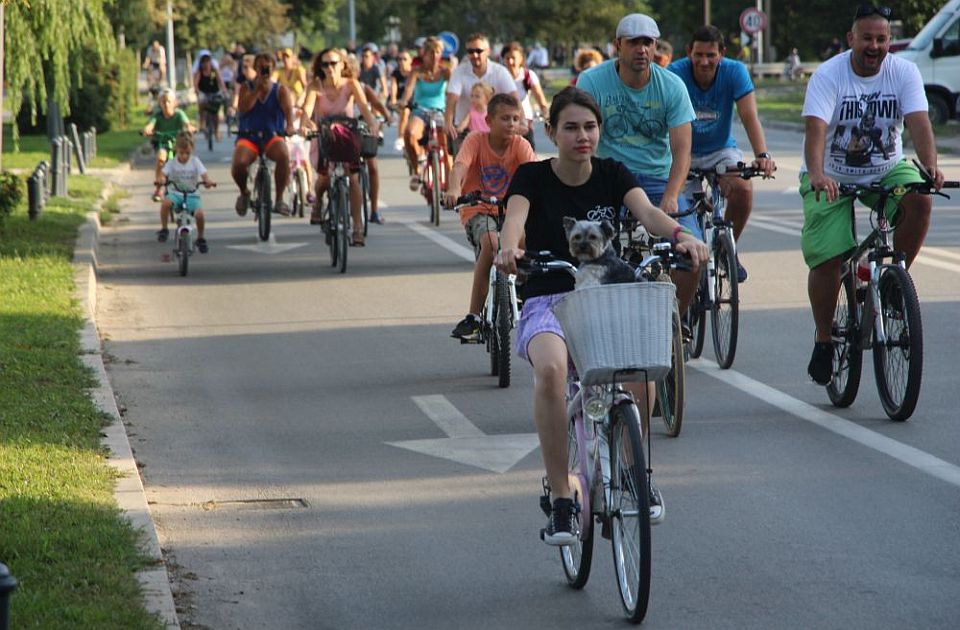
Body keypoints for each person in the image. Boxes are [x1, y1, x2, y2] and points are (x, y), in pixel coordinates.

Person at [495, 87, 708, 544]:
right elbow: (515, 218)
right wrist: (511, 247)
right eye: (570, 127)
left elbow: (648, 213)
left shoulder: (612, 173)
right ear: (551, 132)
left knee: (643, 371)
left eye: (590, 127)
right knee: (552, 371)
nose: (582, 136)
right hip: (548, 298)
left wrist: (680, 235)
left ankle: (633, 473)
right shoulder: (531, 177)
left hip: (605, 298)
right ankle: (561, 499)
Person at [801, 4, 945, 385]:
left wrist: (929, 167)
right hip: (831, 176)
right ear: (852, 39)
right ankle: (825, 337)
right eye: (867, 38)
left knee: (920, 198)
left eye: (882, 39)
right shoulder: (829, 75)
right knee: (829, 257)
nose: (875, 46)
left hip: (885, 170)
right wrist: (816, 174)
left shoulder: (904, 72)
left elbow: (919, 123)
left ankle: (894, 282)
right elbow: (815, 131)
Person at [577, 13, 701, 319]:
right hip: (608, 177)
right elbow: (580, 138)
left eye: (648, 42)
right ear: (618, 45)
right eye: (634, 42)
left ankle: (677, 323)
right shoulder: (592, 81)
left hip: (657, 179)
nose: (642, 50)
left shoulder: (672, 86)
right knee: (579, 246)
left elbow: (682, 150)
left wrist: (672, 195)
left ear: (655, 45)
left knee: (691, 253)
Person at [667, 25, 776, 287]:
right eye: (699, 54)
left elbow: (749, 116)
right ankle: (687, 262)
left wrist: (762, 154)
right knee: (677, 209)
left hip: (720, 150)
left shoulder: (734, 71)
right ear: (689, 53)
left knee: (743, 188)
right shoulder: (674, 73)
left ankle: (728, 250)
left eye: (711, 55)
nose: (705, 61)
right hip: (683, 151)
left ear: (722, 54)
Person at [444, 93, 536, 341]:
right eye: (505, 118)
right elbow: (460, 167)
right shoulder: (476, 140)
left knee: (528, 240)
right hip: (478, 209)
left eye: (516, 119)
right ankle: (473, 317)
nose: (511, 124)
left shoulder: (520, 145)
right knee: (492, 243)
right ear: (488, 120)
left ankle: (527, 290)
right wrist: (454, 189)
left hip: (512, 211)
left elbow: (535, 175)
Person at [302, 48, 380, 245]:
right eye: (325, 64)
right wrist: (307, 125)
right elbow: (307, 111)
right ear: (320, 67)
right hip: (325, 138)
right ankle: (318, 203)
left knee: (353, 180)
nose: (329, 68)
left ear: (343, 64)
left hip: (347, 138)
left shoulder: (352, 84)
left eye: (333, 63)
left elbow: (363, 107)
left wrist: (372, 125)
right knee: (324, 177)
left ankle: (357, 228)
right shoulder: (315, 86)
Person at [231, 52, 296, 218]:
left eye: (267, 67)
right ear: (255, 69)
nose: (264, 70)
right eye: (260, 67)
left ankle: (280, 198)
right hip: (249, 135)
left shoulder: (280, 90)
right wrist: (258, 89)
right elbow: (243, 108)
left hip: (272, 135)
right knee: (239, 163)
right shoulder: (247, 87)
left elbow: (288, 110)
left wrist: (289, 126)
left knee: (283, 154)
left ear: (273, 69)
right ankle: (244, 192)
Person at [444, 33, 519, 149]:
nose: (474, 55)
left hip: (494, 131)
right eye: (470, 51)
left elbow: (514, 98)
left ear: (488, 51)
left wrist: (520, 121)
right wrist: (448, 122)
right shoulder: (459, 72)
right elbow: (452, 99)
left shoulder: (500, 71)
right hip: (464, 131)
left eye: (479, 51)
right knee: (461, 164)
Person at [399, 37, 451, 188]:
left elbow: (454, 90)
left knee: (447, 146)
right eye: (431, 53)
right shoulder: (417, 72)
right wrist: (403, 101)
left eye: (438, 52)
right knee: (409, 134)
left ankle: (451, 185)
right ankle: (417, 170)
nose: (435, 56)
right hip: (420, 111)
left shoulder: (445, 72)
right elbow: (408, 90)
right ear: (424, 54)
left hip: (440, 112)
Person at [156, 131, 216, 251]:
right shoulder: (172, 163)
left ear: (192, 150)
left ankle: (200, 238)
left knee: (199, 215)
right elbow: (163, 174)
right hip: (175, 193)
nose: (184, 156)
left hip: (192, 195)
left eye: (187, 153)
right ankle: (164, 229)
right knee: (165, 203)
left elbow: (204, 175)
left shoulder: (195, 161)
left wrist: (208, 181)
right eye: (181, 153)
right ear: (176, 150)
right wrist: (161, 180)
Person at [142, 88, 195, 203]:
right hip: (162, 143)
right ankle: (158, 186)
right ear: (159, 103)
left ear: (174, 103)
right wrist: (147, 129)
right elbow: (151, 124)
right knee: (161, 157)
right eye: (163, 101)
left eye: (168, 101)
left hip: (177, 144)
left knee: (184, 159)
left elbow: (186, 123)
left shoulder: (179, 114)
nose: (166, 104)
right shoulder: (158, 115)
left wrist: (190, 128)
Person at [501, 42, 550, 150]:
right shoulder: (500, 76)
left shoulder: (528, 75)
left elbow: (541, 100)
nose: (510, 62)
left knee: (528, 156)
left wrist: (546, 115)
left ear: (521, 59)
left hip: (525, 123)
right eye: (507, 58)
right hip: (504, 123)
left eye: (513, 58)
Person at [193, 54, 228, 141]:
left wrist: (224, 90)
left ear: (210, 63)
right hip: (204, 93)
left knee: (215, 112)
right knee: (201, 101)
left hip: (214, 92)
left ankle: (216, 131)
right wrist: (197, 91)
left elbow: (220, 82)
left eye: (207, 62)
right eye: (203, 62)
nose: (205, 64)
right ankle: (202, 122)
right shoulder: (199, 72)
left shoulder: (214, 71)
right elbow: (195, 84)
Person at [389, 50, 414, 148]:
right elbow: (393, 87)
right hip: (401, 102)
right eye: (399, 59)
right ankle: (400, 137)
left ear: (410, 61)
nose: (402, 61)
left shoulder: (414, 72)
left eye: (405, 59)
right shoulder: (396, 73)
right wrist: (393, 99)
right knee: (405, 111)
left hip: (415, 102)